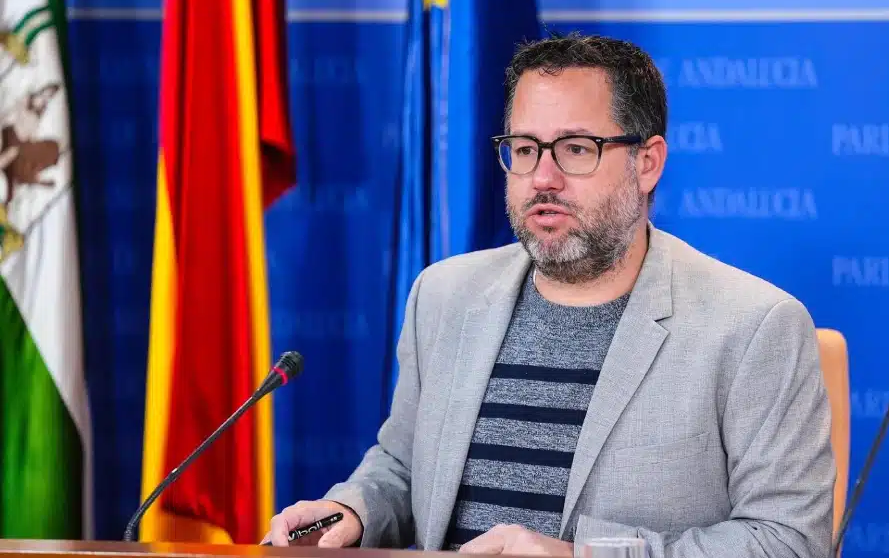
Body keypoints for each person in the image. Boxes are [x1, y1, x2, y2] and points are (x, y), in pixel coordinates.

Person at [264, 33, 835, 558]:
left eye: (577, 149)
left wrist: (581, 557)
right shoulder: (443, 296)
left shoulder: (754, 325)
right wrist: (353, 511)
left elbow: (786, 541)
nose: (543, 177)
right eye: (526, 148)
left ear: (648, 163)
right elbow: (404, 467)